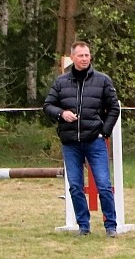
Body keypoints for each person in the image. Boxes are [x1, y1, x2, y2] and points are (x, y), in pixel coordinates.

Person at [43, 40, 121, 236]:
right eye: (80, 55)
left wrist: (105, 131)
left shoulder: (103, 80)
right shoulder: (61, 82)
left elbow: (114, 108)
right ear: (73, 58)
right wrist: (62, 114)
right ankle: (83, 226)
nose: (85, 58)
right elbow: (48, 105)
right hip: (70, 143)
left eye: (87, 55)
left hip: (95, 140)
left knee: (103, 185)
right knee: (75, 186)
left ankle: (111, 225)